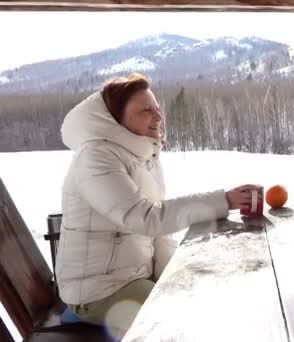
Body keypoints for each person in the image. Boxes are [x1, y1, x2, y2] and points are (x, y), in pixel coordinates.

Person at [56, 73, 257, 338]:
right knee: (176, 319)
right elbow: (149, 218)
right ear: (116, 118)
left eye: (158, 109)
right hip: (98, 289)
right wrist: (224, 200)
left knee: (203, 296)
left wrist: (174, 275)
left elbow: (159, 232)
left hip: (133, 275)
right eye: (146, 110)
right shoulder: (95, 158)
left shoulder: (142, 155)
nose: (158, 117)